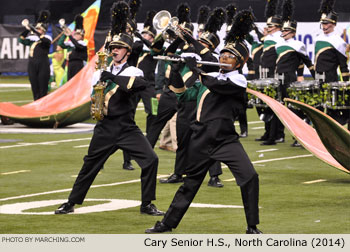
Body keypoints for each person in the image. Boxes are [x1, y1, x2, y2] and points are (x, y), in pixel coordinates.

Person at [146, 10, 262, 234]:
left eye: (229, 57)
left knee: (250, 177)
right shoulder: (208, 79)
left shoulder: (237, 79)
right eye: (222, 55)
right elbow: (183, 97)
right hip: (201, 139)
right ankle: (166, 224)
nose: (223, 59)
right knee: (189, 185)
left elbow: (217, 85)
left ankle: (252, 226)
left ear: (239, 62)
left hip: (226, 140)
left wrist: (196, 67)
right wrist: (179, 69)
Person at [54, 1, 164, 216]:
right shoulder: (100, 71)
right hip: (105, 128)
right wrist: (99, 84)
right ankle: (70, 202)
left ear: (127, 51)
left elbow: (134, 85)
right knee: (89, 166)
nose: (114, 50)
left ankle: (147, 204)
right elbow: (93, 95)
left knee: (151, 160)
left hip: (126, 128)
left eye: (119, 48)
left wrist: (111, 76)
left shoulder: (134, 70)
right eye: (112, 47)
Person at [276, 0, 316, 147]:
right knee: (281, 108)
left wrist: (315, 78)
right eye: (283, 30)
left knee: (294, 109)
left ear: (293, 32)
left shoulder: (298, 45)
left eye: (286, 31)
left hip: (290, 78)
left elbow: (306, 62)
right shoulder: (278, 45)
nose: (283, 33)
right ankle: (279, 135)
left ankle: (300, 136)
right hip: (278, 78)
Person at [315, 0, 349, 128]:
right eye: (322, 23)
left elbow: (343, 66)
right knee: (317, 108)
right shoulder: (318, 37)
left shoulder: (338, 41)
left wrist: (346, 83)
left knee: (331, 110)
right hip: (318, 78)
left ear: (333, 24)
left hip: (330, 78)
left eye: (327, 23)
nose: (324, 26)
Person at [257, 0, 285, 145]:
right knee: (265, 105)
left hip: (274, 75)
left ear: (278, 27)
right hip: (265, 74)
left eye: (270, 26)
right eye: (267, 26)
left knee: (274, 106)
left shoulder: (280, 38)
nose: (268, 28)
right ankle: (268, 132)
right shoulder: (269, 38)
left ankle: (276, 135)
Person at [18, 10, 51, 101]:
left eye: (39, 28)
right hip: (32, 64)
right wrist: (27, 29)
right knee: (34, 86)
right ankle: (36, 105)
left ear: (43, 30)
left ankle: (44, 107)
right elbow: (21, 39)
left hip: (43, 64)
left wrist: (33, 29)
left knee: (42, 87)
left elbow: (45, 42)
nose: (37, 30)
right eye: (36, 28)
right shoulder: (32, 40)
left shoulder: (47, 38)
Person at [58, 14, 88, 81]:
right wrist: (64, 34)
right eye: (75, 34)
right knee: (70, 81)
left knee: (78, 82)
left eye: (78, 34)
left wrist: (70, 36)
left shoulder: (83, 44)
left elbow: (77, 46)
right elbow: (61, 44)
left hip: (79, 64)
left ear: (82, 36)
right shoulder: (71, 43)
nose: (75, 35)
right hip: (70, 64)